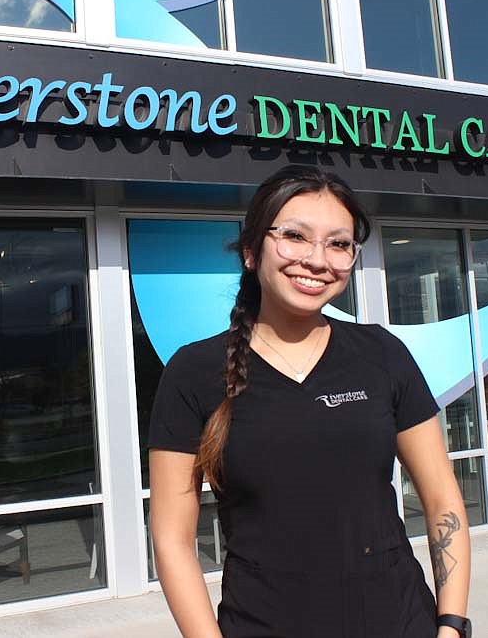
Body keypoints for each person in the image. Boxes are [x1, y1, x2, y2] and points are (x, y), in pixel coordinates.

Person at [147, 165, 471, 638]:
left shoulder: (382, 355)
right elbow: (173, 539)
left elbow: (443, 499)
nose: (318, 260)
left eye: (339, 244)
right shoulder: (193, 372)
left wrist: (451, 624)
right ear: (251, 251)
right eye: (295, 236)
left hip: (402, 623)